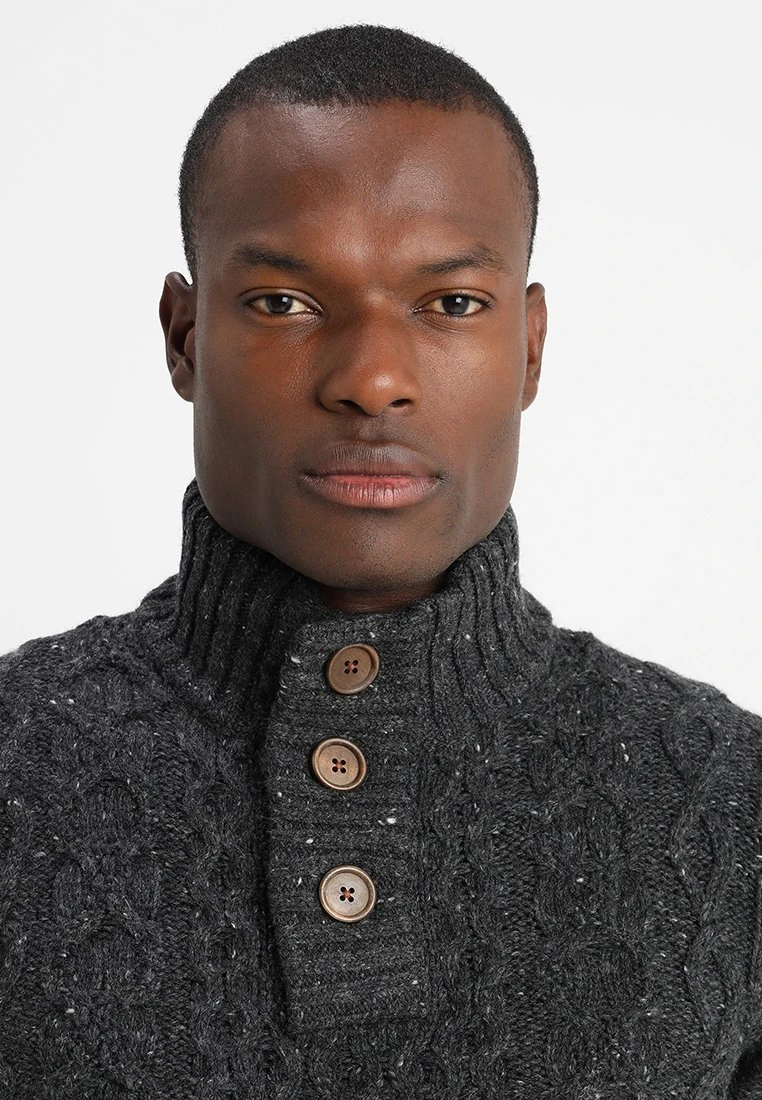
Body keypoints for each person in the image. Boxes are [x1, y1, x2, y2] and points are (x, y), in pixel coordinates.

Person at [0, 22, 760, 1100]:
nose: (371, 378)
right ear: (183, 337)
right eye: (284, 303)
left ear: (529, 348)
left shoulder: (729, 801)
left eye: (451, 304)